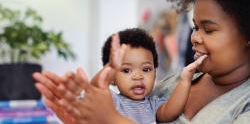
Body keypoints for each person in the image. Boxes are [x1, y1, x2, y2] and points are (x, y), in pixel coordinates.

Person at [33, 0, 250, 123]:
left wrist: (110, 118)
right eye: (195, 27)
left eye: (209, 29)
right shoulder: (173, 83)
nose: (194, 37)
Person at [33, 28, 206, 124]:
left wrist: (185, 79)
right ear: (113, 78)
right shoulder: (112, 100)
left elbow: (170, 112)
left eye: (146, 69)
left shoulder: (152, 105)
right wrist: (110, 67)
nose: (138, 76)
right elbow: (95, 88)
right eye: (126, 70)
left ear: (155, 71)